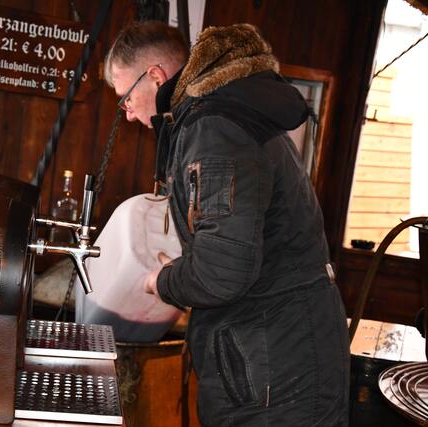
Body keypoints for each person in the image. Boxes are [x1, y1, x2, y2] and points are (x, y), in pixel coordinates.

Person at [104, 21, 350, 426]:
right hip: (273, 351)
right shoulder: (226, 115)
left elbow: (222, 272)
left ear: (155, 76)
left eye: (126, 99)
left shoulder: (215, 129)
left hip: (276, 367)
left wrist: (162, 281)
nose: (128, 115)